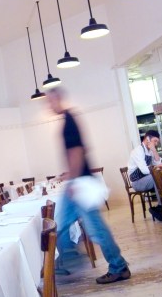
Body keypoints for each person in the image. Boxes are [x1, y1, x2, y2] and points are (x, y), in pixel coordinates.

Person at [45, 87, 130, 284]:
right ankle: (49, 267)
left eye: (50, 101)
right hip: (78, 180)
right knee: (60, 226)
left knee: (91, 228)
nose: (49, 105)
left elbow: (77, 151)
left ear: (58, 99)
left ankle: (118, 266)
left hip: (79, 183)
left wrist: (73, 178)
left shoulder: (68, 122)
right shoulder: (69, 120)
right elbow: (82, 150)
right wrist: (70, 173)